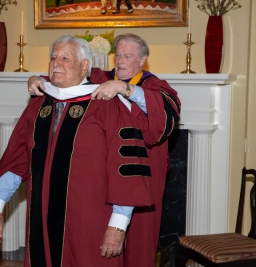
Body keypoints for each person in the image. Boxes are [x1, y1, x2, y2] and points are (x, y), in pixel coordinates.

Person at [0, 35, 153, 267]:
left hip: (90, 222)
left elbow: (126, 169)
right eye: (53, 57)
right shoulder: (39, 104)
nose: (56, 63)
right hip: (41, 221)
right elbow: (17, 159)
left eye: (65, 58)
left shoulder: (107, 104)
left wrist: (118, 225)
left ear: (85, 66)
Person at [28, 33, 181, 267]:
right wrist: (36, 79)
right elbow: (69, 76)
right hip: (108, 177)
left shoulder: (154, 86)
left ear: (142, 60)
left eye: (127, 56)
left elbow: (165, 116)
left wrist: (124, 88)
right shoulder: (102, 78)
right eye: (117, 55)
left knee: (139, 245)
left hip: (142, 172)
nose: (120, 61)